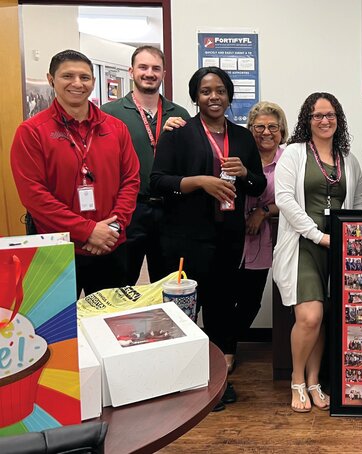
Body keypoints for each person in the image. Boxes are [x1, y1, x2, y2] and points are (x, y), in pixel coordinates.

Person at [150, 66, 266, 412]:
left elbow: (258, 186)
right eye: (205, 91)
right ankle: (177, 383)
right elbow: (157, 182)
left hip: (227, 238)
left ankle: (214, 384)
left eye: (220, 91)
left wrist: (245, 173)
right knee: (183, 312)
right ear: (195, 97)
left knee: (220, 309)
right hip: (185, 238)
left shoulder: (243, 137)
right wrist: (200, 181)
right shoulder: (179, 132)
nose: (213, 97)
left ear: (230, 96)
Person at [11, 49, 139, 296]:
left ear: (93, 81)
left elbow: (131, 180)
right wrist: (88, 231)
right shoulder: (32, 132)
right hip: (56, 249)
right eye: (67, 76)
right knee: (58, 329)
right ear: (51, 80)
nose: (77, 84)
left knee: (109, 325)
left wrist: (112, 230)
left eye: (85, 77)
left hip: (111, 246)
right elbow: (34, 196)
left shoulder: (116, 129)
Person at [272, 92, 362, 413]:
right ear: (307, 120)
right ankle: (297, 380)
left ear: (338, 119)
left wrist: (354, 238)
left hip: (340, 248)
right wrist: (318, 236)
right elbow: (285, 200)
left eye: (330, 115)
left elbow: (360, 202)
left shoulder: (348, 158)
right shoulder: (294, 153)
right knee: (309, 316)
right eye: (317, 116)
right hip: (303, 245)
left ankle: (314, 381)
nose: (324, 121)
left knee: (324, 316)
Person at [101, 46, 191, 284]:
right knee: (121, 282)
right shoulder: (110, 113)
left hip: (170, 210)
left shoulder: (179, 113)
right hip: (129, 210)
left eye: (156, 68)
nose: (149, 73)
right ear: (131, 71)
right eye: (143, 67)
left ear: (163, 74)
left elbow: (188, 161)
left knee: (168, 284)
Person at [230, 101, 288, 370]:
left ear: (281, 130)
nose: (266, 132)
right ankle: (224, 349)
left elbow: (291, 200)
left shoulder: (288, 159)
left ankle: (228, 342)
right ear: (250, 129)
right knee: (225, 293)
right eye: (260, 127)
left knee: (251, 299)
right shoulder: (240, 154)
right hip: (231, 233)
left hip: (264, 236)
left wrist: (263, 210)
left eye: (273, 127)